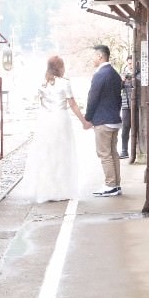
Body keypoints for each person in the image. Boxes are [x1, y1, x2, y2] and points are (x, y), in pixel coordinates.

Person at [21, 55, 88, 202]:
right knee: (62, 154)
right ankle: (61, 190)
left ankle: (45, 191)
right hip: (60, 120)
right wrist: (84, 122)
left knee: (45, 155)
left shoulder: (42, 83)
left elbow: (41, 102)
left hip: (44, 121)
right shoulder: (64, 83)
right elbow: (73, 104)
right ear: (60, 68)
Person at [85, 45, 124, 197]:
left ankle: (110, 184)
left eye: (94, 56)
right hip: (114, 118)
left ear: (100, 56)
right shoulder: (114, 73)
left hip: (103, 120)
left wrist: (88, 118)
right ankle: (116, 183)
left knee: (104, 154)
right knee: (113, 153)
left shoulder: (100, 74)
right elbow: (118, 97)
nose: (93, 59)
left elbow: (92, 97)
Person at [119, 56, 134, 158]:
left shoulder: (140, 73)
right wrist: (122, 80)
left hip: (137, 105)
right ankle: (124, 150)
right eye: (129, 63)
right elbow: (118, 88)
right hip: (125, 105)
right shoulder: (123, 73)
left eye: (131, 63)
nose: (130, 65)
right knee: (125, 127)